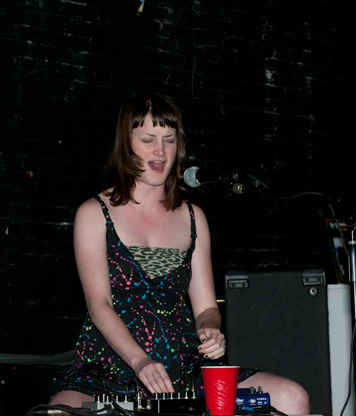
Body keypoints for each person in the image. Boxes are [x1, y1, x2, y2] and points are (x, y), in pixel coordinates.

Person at [50, 93, 310, 414]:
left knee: (293, 397)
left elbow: (206, 307)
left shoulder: (192, 217)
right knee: (60, 413)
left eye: (169, 140)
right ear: (125, 145)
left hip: (185, 368)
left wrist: (210, 328)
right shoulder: (94, 213)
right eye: (148, 139)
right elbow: (99, 305)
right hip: (111, 368)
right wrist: (140, 361)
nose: (160, 150)